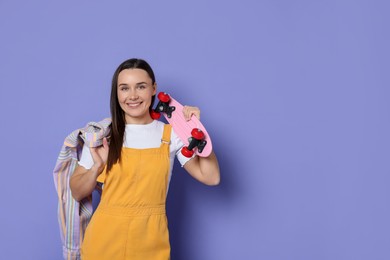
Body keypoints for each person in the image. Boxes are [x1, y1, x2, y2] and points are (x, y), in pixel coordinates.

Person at [69, 58, 220, 260]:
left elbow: (211, 177)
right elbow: (77, 192)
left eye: (141, 87)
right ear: (117, 93)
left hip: (151, 241)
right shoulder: (103, 134)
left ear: (153, 89)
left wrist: (199, 131)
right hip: (103, 240)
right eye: (124, 88)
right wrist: (97, 167)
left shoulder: (171, 134)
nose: (132, 96)